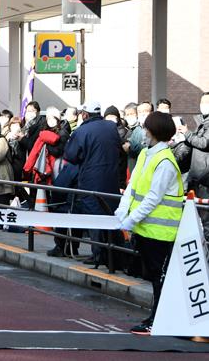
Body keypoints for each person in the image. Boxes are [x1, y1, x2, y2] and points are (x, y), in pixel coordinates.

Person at [115, 112, 183, 335]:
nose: (143, 132)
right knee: (152, 275)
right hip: (144, 228)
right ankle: (157, 318)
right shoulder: (146, 154)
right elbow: (133, 186)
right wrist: (122, 212)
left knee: (159, 277)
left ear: (154, 131)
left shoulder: (165, 161)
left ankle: (158, 320)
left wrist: (129, 219)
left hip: (161, 231)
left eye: (146, 129)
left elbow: (154, 197)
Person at [64, 100, 122, 266]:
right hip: (111, 179)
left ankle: (98, 255)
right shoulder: (111, 127)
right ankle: (114, 254)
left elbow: (71, 156)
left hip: (90, 180)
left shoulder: (82, 131)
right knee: (110, 215)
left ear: (85, 114)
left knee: (94, 217)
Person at [178, 91, 209, 241]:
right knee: (197, 216)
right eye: (202, 101)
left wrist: (187, 133)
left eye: (207, 102)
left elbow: (204, 143)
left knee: (206, 218)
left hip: (205, 177)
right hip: (197, 175)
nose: (204, 105)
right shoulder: (202, 122)